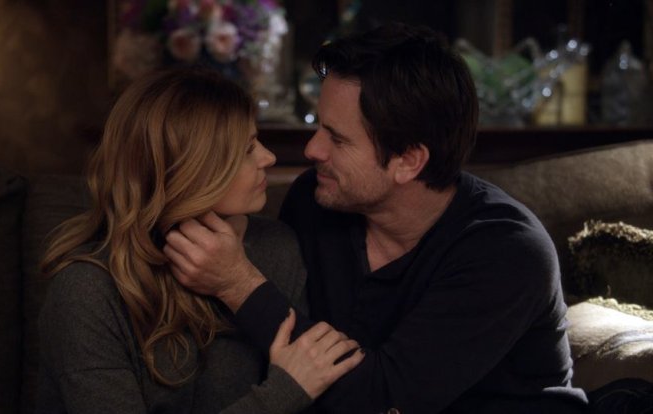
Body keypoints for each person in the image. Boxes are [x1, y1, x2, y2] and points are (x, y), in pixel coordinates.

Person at [163, 24, 590, 413]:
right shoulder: (315, 202)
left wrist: (237, 283)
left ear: (408, 161)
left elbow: (378, 401)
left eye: (337, 139)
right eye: (318, 126)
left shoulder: (506, 252)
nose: (312, 150)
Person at [35, 68, 363, 414]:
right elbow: (295, 385)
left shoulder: (277, 247)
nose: (268, 158)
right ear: (188, 170)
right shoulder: (87, 291)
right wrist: (283, 393)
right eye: (246, 149)